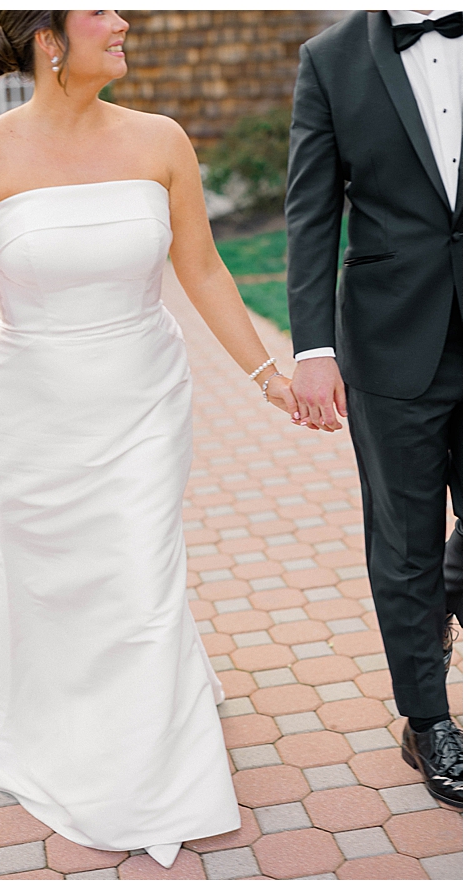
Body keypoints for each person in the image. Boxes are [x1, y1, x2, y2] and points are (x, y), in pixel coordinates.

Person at [0, 10, 299, 868]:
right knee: (60, 577)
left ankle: (151, 774)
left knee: (143, 574)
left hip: (145, 394)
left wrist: (269, 376)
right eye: (100, 11)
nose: (122, 23)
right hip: (32, 406)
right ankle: (62, 714)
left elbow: (206, 268)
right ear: (48, 40)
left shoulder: (161, 140)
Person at [285, 10, 462, 808]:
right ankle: (428, 720)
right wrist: (311, 348)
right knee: (405, 539)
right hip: (394, 339)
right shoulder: (329, 60)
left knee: (437, 566)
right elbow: (311, 210)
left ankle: (451, 591)